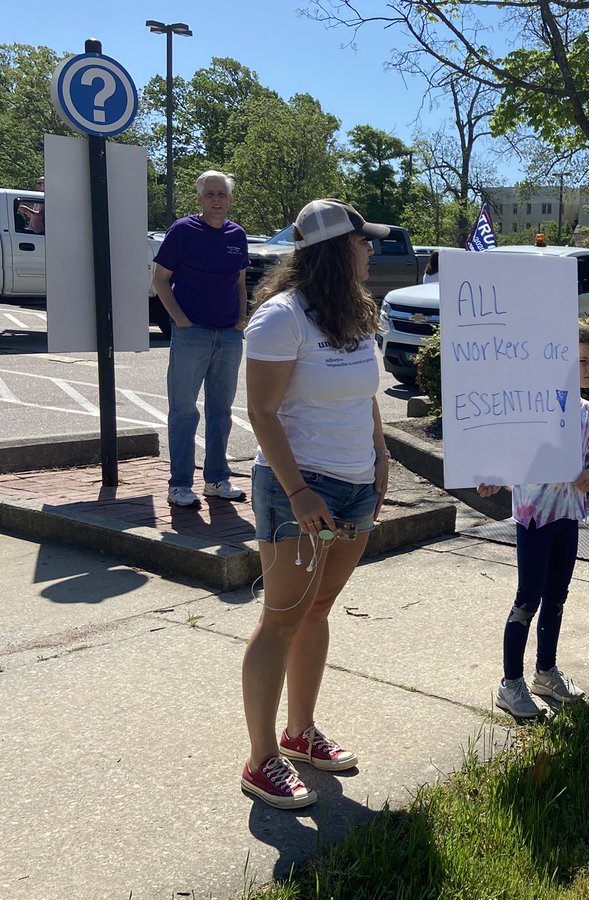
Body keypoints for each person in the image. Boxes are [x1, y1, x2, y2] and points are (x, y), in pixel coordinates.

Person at [239, 198, 393, 810]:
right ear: (336, 249)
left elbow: (366, 396)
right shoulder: (281, 318)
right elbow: (262, 413)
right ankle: (261, 760)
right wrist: (299, 492)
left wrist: (381, 456)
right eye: (364, 241)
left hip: (356, 484)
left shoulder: (356, 311)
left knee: (318, 608)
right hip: (299, 489)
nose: (372, 250)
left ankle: (299, 734)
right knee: (281, 617)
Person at [477, 323, 589, 718]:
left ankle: (546, 672)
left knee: (556, 597)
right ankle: (510, 682)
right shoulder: (532, 410)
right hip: (535, 516)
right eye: (580, 362)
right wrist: (494, 479)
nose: (587, 369)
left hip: (568, 516)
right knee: (527, 599)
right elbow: (510, 456)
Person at [153, 171, 250, 508]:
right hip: (191, 334)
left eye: (222, 194)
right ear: (199, 198)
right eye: (209, 194)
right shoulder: (182, 231)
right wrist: (180, 320)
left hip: (228, 335)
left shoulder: (237, 235)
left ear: (231, 199)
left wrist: (242, 318)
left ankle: (217, 479)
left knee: (221, 411)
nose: (216, 200)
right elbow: (160, 280)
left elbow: (239, 282)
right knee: (183, 411)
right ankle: (179, 484)